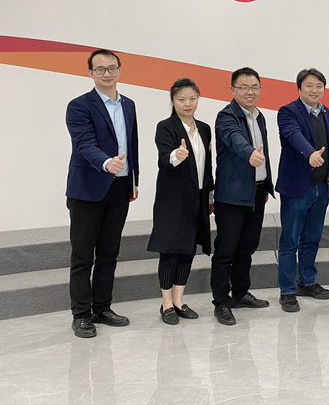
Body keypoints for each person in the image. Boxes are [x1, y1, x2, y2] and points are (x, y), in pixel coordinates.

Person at [65, 49, 139, 338]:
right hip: (87, 189)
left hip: (120, 187)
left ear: (120, 70)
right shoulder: (79, 106)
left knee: (109, 253)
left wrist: (133, 179)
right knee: (83, 256)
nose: (107, 73)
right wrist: (106, 162)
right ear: (90, 73)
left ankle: (102, 308)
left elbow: (131, 144)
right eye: (100, 69)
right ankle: (81, 315)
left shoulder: (129, 104)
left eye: (111, 68)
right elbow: (84, 143)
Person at [210, 67, 275, 326]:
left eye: (254, 87)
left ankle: (239, 293)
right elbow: (235, 139)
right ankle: (221, 302)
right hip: (232, 196)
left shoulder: (260, 116)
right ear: (233, 90)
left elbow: (264, 152)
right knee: (225, 251)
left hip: (256, 193)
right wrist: (249, 153)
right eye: (244, 87)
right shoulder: (226, 116)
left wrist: (265, 185)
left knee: (247, 247)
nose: (250, 92)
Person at [147, 78, 213, 325]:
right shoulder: (166, 127)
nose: (187, 104)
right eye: (181, 99)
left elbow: (208, 165)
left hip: (197, 199)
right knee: (170, 251)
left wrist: (210, 194)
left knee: (188, 250)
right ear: (173, 101)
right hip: (172, 201)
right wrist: (177, 155)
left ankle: (179, 300)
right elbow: (163, 160)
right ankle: (166, 304)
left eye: (192, 98)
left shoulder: (204, 128)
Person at [276, 68, 329, 312]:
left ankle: (307, 282)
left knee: (312, 239)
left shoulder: (326, 112)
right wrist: (309, 152)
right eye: (309, 85)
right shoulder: (288, 111)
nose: (315, 90)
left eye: (319, 85)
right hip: (297, 188)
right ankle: (287, 291)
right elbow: (293, 135)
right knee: (290, 241)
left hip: (321, 187)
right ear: (299, 88)